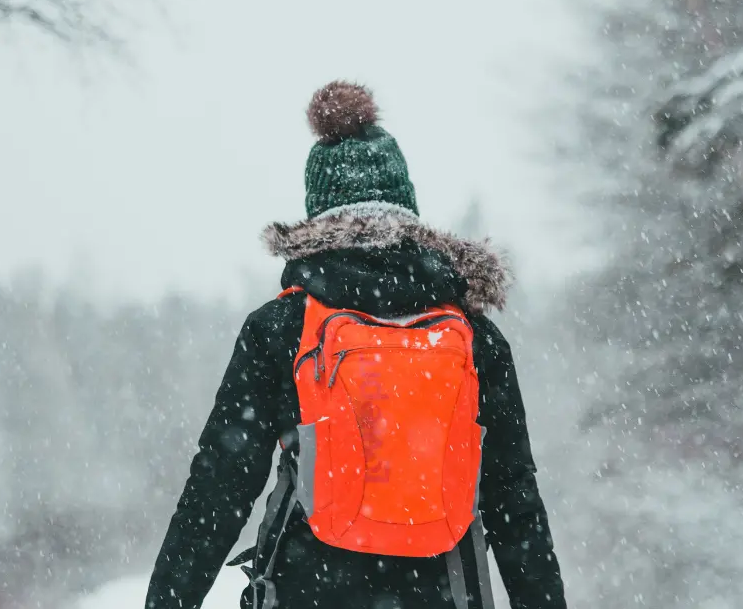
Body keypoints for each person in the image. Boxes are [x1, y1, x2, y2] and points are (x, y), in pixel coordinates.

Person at [145, 82, 567, 609]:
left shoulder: (282, 327)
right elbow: (514, 501)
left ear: (315, 215)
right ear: (408, 207)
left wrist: (168, 599)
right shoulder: (473, 336)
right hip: (444, 591)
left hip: (307, 589)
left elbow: (219, 488)